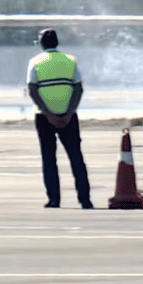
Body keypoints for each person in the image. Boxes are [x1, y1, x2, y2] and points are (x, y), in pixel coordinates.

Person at [27, 28, 92, 209]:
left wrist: (48, 114)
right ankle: (85, 200)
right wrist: (69, 113)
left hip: (43, 116)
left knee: (49, 160)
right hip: (68, 117)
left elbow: (32, 90)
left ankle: (54, 199)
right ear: (57, 42)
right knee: (76, 158)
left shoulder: (35, 62)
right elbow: (78, 89)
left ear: (42, 43)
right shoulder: (70, 61)